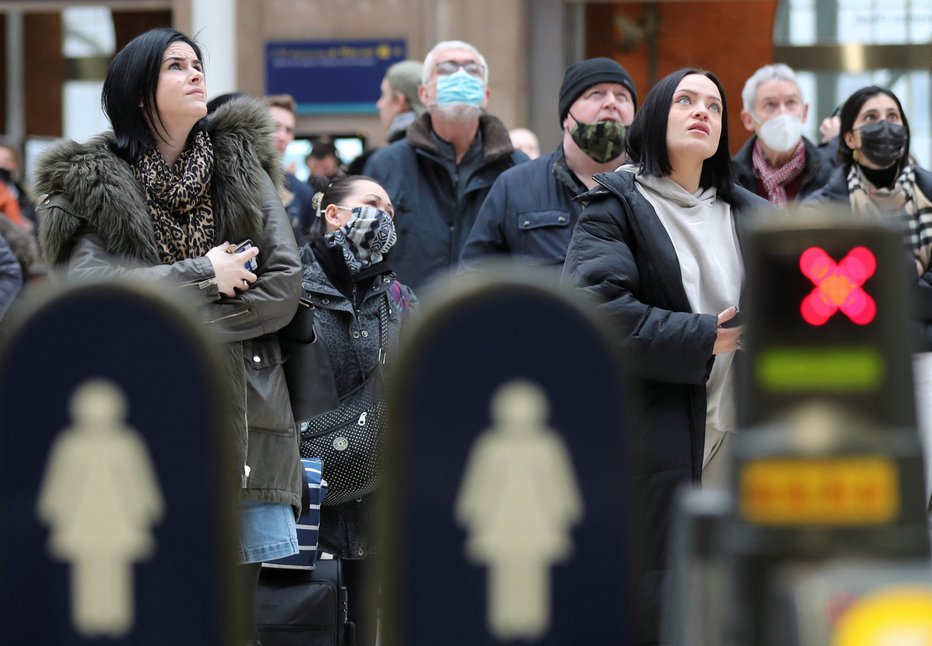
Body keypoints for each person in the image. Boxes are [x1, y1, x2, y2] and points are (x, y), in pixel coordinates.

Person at [33, 28, 304, 646]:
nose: (195, 73)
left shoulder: (242, 168)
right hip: (140, 411)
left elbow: (282, 286)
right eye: (175, 66)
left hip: (246, 410)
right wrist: (205, 272)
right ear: (136, 92)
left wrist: (164, 322)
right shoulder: (90, 182)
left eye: (197, 63)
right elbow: (96, 292)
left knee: (236, 613)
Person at [561, 68, 769, 644]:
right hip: (656, 430)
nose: (703, 111)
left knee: (740, 594)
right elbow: (598, 312)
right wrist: (707, 336)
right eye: (686, 101)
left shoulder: (753, 214)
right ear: (655, 115)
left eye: (714, 106)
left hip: (743, 424)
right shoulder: (615, 204)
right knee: (659, 595)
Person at [301, 175, 416, 646]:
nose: (383, 215)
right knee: (302, 622)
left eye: (389, 209)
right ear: (333, 213)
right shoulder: (290, 290)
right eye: (371, 203)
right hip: (305, 500)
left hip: (376, 499)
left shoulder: (398, 299)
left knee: (370, 626)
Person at [363, 39, 528, 290]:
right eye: (448, 69)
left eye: (472, 70)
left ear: (485, 95)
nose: (461, 76)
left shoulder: (517, 169)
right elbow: (364, 258)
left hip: (491, 319)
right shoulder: (387, 165)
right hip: (410, 324)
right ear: (424, 94)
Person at [462, 57, 637, 267]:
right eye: (596, 94)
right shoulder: (515, 186)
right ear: (566, 116)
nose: (611, 103)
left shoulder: (650, 187)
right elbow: (475, 275)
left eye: (622, 96)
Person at [807, 85, 932, 349]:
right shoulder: (820, 211)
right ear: (850, 138)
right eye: (870, 118)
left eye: (892, 116)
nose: (884, 125)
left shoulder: (928, 195)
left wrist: (880, 281)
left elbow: (866, 297)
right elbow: (832, 299)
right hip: (857, 355)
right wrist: (914, 272)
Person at [732, 63, 832, 205]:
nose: (783, 113)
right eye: (770, 104)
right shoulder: (731, 180)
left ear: (804, 112)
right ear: (748, 119)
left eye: (791, 102)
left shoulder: (831, 174)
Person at [346, 59, 427, 175]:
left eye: (383, 95)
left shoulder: (384, 163)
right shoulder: (447, 153)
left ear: (400, 101)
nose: (379, 104)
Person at [264, 94, 317, 244]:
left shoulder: (303, 192)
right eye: (275, 127)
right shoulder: (237, 181)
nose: (282, 136)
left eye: (289, 130)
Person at [0, 144, 39, 231]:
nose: (2, 164)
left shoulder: (22, 192)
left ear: (16, 164)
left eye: (6, 160)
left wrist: (28, 225)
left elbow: (34, 223)